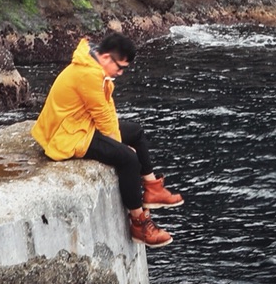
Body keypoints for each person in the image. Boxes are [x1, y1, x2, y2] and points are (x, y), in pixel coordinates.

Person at [31, 33, 182, 247]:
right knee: (128, 159)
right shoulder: (88, 75)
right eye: (120, 67)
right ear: (105, 57)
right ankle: (139, 223)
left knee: (136, 132)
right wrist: (120, 146)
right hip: (67, 134)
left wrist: (118, 139)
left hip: (80, 123)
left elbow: (108, 110)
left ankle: (152, 188)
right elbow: (103, 118)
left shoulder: (95, 68)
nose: (120, 73)